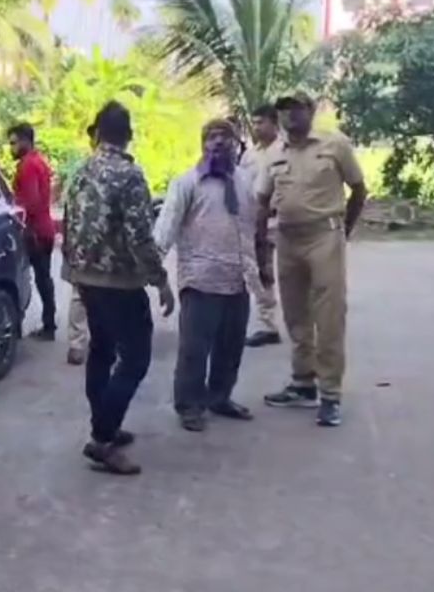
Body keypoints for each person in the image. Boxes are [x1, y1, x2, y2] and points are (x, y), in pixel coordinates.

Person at [62, 101, 175, 475]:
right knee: (136, 357)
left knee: (102, 350)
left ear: (97, 133)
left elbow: (69, 222)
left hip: (86, 278)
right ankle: (103, 437)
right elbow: (140, 236)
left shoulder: (81, 170)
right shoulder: (129, 176)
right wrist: (160, 280)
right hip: (119, 282)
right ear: (129, 134)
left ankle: (104, 424)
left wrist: (76, 269)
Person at [258, 94, 367, 428]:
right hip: (288, 238)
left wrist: (342, 231)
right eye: (284, 110)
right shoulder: (274, 153)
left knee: (329, 315)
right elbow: (262, 201)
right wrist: (261, 246)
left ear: (311, 111)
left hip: (325, 236)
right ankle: (302, 382)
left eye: (297, 109)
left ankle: (330, 394)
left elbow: (359, 190)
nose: (290, 115)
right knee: (295, 314)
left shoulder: (335, 145)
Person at [154, 119, 258, 432]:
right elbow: (165, 228)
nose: (217, 143)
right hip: (199, 280)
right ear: (202, 144)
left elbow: (257, 224)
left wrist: (260, 267)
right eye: (211, 138)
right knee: (194, 350)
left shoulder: (246, 181)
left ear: (236, 144)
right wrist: (155, 271)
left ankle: (219, 397)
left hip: (237, 278)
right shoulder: (186, 183)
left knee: (231, 346)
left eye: (225, 138)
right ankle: (189, 405)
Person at [238, 104, 283, 346]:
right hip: (255, 220)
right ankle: (268, 325)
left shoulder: (284, 150)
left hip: (282, 220)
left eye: (261, 122)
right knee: (261, 272)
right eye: (254, 123)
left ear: (274, 123)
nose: (256, 127)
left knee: (289, 274)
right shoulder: (249, 155)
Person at [9, 122, 57, 339]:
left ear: (26, 141)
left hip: (35, 231)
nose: (11, 148)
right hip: (44, 228)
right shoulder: (39, 161)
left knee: (31, 277)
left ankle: (44, 326)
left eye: (14, 143)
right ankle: (49, 323)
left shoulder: (28, 165)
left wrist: (27, 230)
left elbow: (31, 202)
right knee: (43, 278)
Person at [62, 123, 99, 366]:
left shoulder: (81, 172)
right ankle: (80, 345)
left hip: (84, 246)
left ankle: (79, 345)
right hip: (93, 248)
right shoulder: (125, 170)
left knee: (81, 296)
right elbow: (68, 209)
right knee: (84, 295)